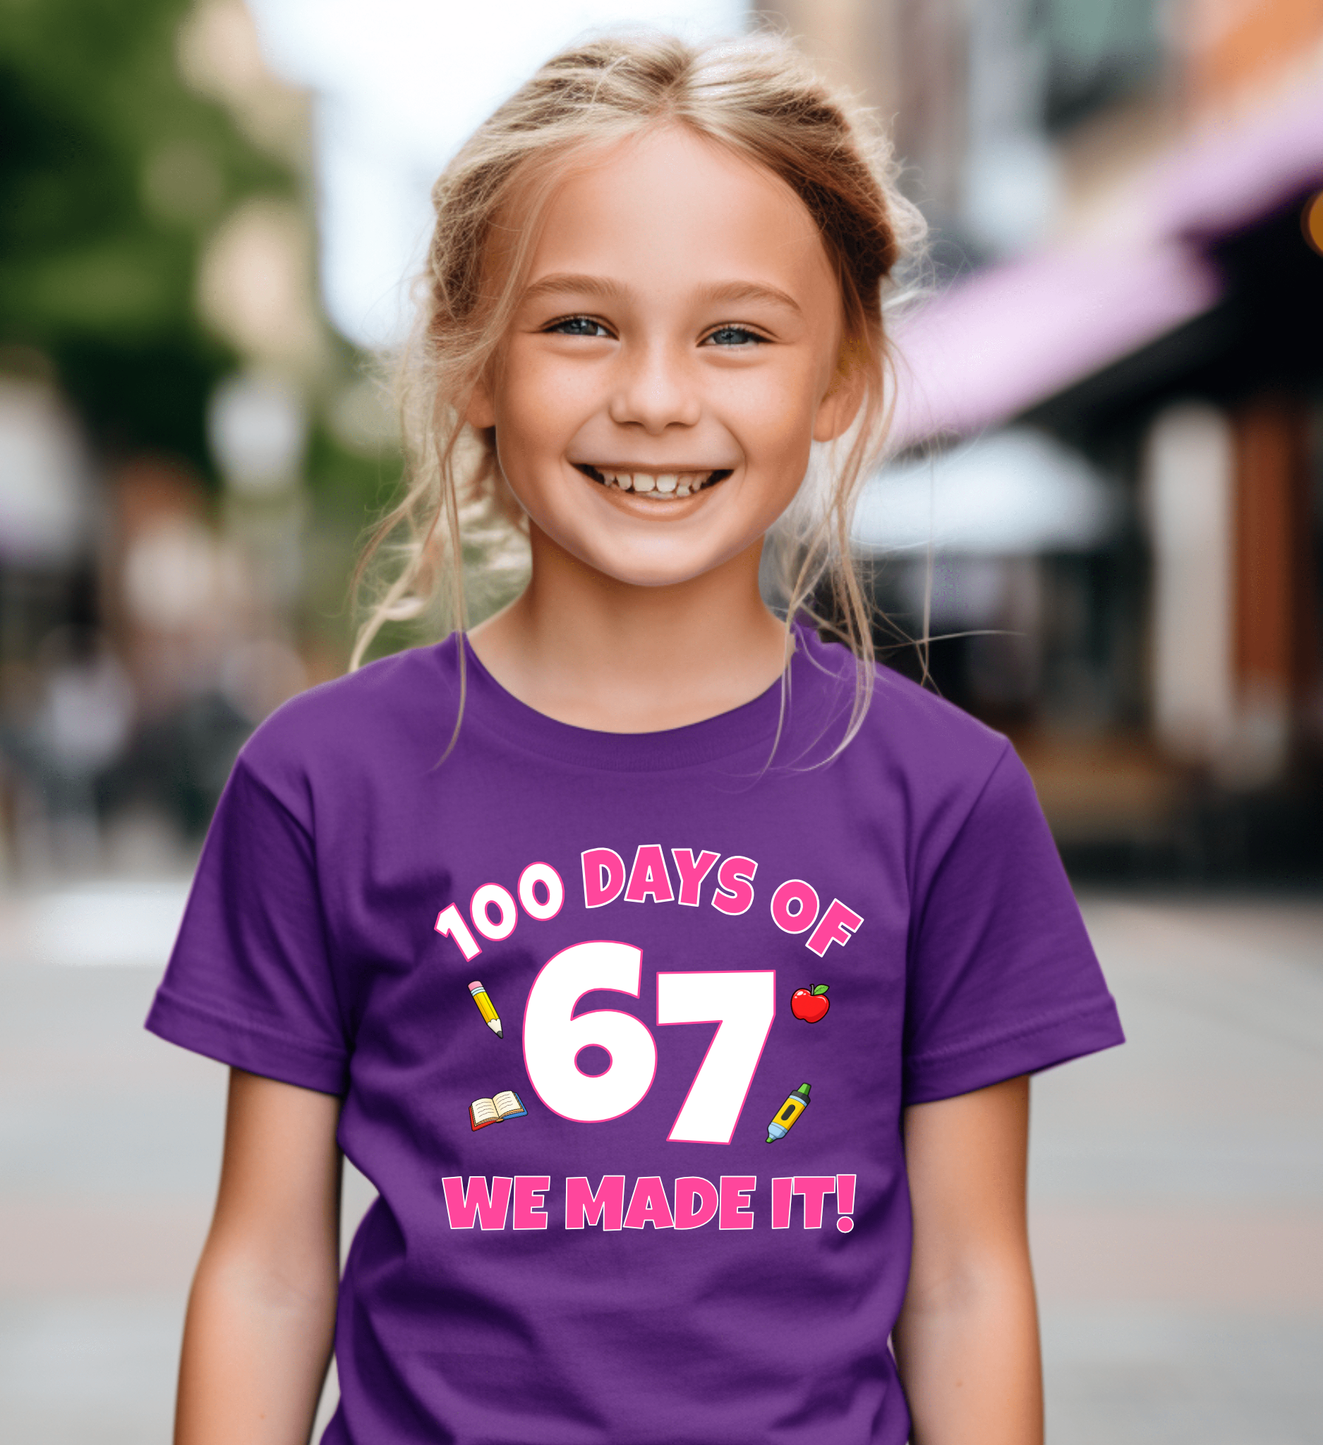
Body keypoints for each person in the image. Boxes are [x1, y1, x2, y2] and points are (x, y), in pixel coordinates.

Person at [146, 31, 1124, 1445]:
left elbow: (968, 1280)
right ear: (473, 364)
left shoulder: (947, 796)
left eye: (735, 332)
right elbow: (267, 1269)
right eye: (580, 324)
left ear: (839, 375)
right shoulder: (320, 782)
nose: (657, 398)